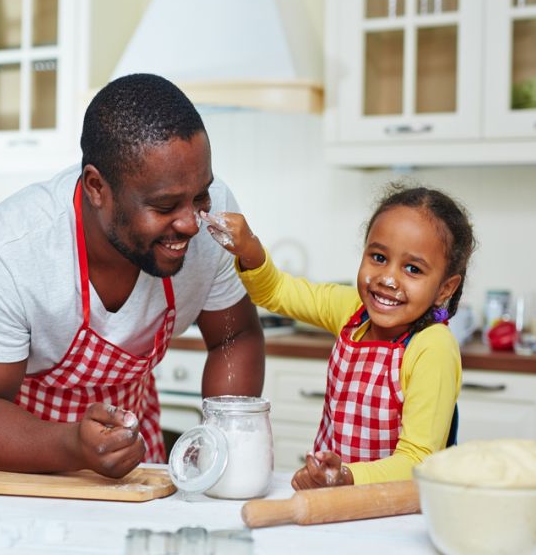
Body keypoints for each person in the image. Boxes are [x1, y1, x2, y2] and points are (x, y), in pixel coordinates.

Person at [0, 73, 265, 478]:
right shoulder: (7, 252)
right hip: (21, 469)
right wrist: (72, 446)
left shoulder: (211, 222)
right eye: (165, 206)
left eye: (200, 196)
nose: (191, 224)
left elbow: (234, 337)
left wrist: (221, 447)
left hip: (136, 468)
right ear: (96, 187)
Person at [202, 183, 476, 488]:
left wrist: (346, 476)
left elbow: (417, 461)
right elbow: (278, 291)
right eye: (379, 257)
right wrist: (249, 249)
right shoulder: (353, 311)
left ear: (445, 288)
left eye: (412, 269)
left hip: (396, 511)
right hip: (336, 498)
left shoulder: (432, 346)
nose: (388, 278)